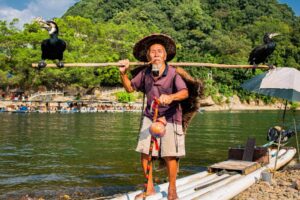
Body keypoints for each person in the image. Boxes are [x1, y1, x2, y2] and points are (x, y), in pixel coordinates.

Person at [119, 34, 189, 200]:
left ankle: (172, 190)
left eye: (160, 51)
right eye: (152, 52)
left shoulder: (173, 73)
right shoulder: (145, 73)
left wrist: (171, 97)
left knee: (170, 155)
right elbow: (130, 88)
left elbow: (185, 92)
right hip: (150, 116)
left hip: (171, 117)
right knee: (145, 152)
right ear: (148, 56)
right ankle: (149, 188)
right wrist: (123, 73)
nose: (156, 54)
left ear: (165, 56)